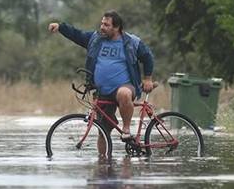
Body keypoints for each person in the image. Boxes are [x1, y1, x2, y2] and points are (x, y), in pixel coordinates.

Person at [48, 10, 155, 155]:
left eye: (106, 25)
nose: (102, 27)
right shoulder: (95, 39)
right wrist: (60, 27)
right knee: (102, 131)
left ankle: (126, 129)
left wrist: (147, 79)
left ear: (116, 28)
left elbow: (147, 56)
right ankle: (103, 163)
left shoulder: (131, 42)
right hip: (102, 91)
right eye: (102, 23)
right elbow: (77, 34)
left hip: (125, 86)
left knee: (124, 94)